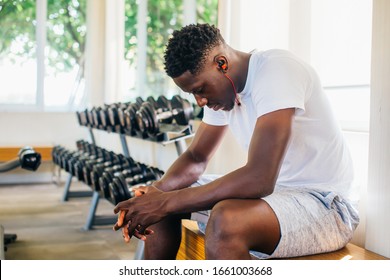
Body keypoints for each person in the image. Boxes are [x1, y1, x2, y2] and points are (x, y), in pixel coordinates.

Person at [113, 23, 359, 260]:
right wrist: (156, 193)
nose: (200, 101)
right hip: (276, 199)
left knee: (225, 219)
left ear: (222, 63)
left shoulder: (278, 70)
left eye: (200, 89)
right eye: (193, 94)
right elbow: (196, 157)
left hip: (326, 206)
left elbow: (259, 178)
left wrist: (165, 201)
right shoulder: (222, 90)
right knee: (164, 198)